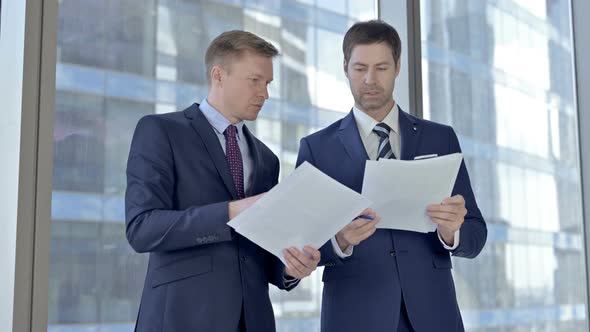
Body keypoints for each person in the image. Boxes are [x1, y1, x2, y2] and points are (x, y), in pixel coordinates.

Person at [296, 20, 487, 332]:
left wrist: (452, 232)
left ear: (398, 67)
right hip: (355, 315)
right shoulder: (317, 149)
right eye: (360, 68)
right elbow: (300, 246)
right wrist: (340, 241)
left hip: (433, 315)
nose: (370, 79)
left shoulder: (440, 139)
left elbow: (476, 235)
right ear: (345, 68)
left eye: (382, 67)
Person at [125, 30, 321, 332]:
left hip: (252, 320)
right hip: (182, 318)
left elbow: (260, 251)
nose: (264, 94)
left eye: (267, 84)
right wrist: (232, 212)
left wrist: (291, 268)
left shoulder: (266, 158)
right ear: (218, 75)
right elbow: (142, 229)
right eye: (254, 81)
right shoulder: (161, 131)